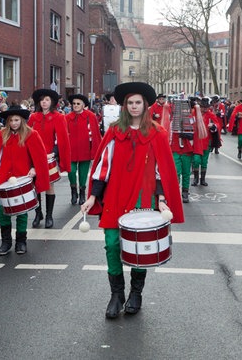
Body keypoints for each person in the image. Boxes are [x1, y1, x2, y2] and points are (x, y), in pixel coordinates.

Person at [80, 82, 184, 319]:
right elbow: (102, 167)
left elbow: (162, 171)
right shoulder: (115, 131)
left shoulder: (157, 133)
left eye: (138, 102)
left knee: (139, 246)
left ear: (145, 105)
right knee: (113, 244)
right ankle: (116, 294)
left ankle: (136, 293)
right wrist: (93, 196)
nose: (134, 106)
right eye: (130, 103)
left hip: (143, 197)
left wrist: (162, 199)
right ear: (125, 106)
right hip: (115, 196)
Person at [0, 105, 50, 255]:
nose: (14, 123)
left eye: (17, 120)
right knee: (3, 210)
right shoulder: (1, 134)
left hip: (23, 176)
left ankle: (21, 241)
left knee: (22, 211)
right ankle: (6, 242)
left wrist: (34, 168)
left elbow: (39, 157)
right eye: (11, 120)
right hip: (4, 176)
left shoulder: (31, 134)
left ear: (22, 120)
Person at [27, 89, 71, 228]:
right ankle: (38, 213)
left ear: (51, 102)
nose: (44, 102)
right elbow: (27, 136)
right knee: (35, 186)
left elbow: (62, 138)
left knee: (49, 185)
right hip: (33, 156)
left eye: (47, 100)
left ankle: (49, 215)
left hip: (49, 155)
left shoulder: (58, 117)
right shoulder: (33, 117)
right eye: (42, 100)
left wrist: (54, 153)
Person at [65, 94, 102, 205]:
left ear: (83, 105)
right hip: (71, 150)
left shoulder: (90, 116)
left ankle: (82, 192)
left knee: (83, 173)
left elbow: (95, 134)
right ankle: (73, 191)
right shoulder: (67, 117)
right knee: (71, 171)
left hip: (85, 149)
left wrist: (95, 150)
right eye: (74, 104)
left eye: (78, 104)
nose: (75, 106)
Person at [192, 97, 222, 186]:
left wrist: (213, 126)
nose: (205, 109)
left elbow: (217, 124)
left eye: (206, 107)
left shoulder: (210, 115)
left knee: (204, 161)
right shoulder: (195, 113)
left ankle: (203, 179)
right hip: (197, 141)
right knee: (196, 160)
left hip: (206, 141)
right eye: (203, 107)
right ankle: (196, 179)